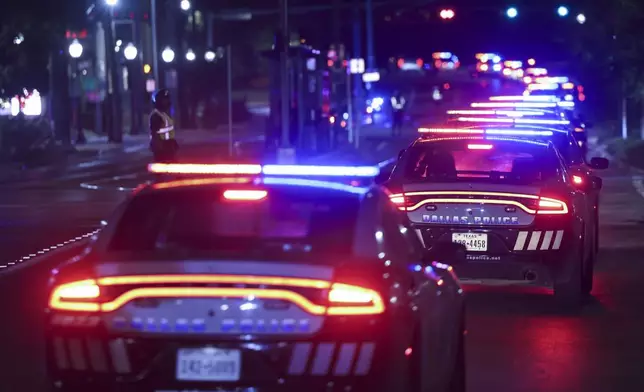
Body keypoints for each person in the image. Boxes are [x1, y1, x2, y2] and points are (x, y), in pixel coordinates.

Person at [149, 89, 178, 162]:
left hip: (169, 146)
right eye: (164, 100)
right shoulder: (156, 115)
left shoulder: (164, 114)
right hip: (162, 148)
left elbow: (169, 131)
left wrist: (173, 143)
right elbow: (154, 133)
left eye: (167, 99)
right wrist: (158, 146)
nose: (167, 102)